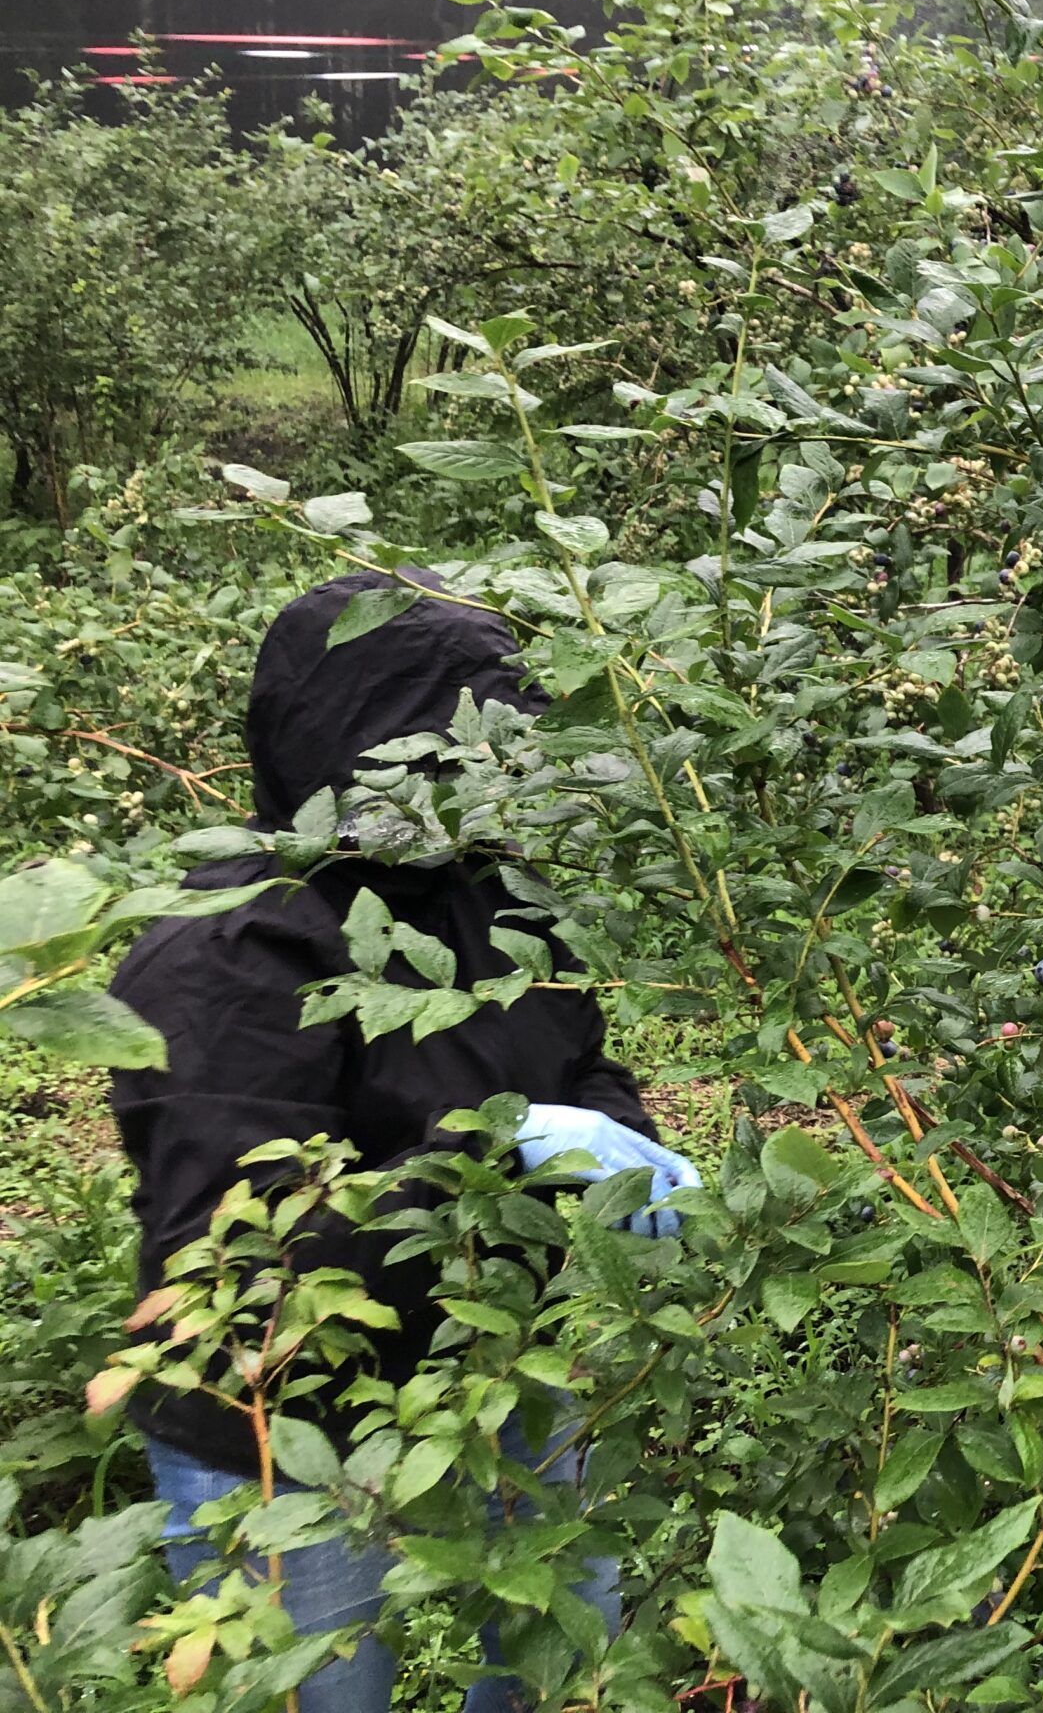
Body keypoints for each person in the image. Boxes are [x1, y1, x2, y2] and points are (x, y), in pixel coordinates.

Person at [108, 570, 699, 1713]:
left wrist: (615, 1142)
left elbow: (577, 1058)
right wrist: (494, 1155)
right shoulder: (226, 954)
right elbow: (231, 1263)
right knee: (316, 1688)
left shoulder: (491, 895)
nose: (493, 773)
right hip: (281, 1434)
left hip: (503, 1367)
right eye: (455, 747)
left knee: (561, 1668)